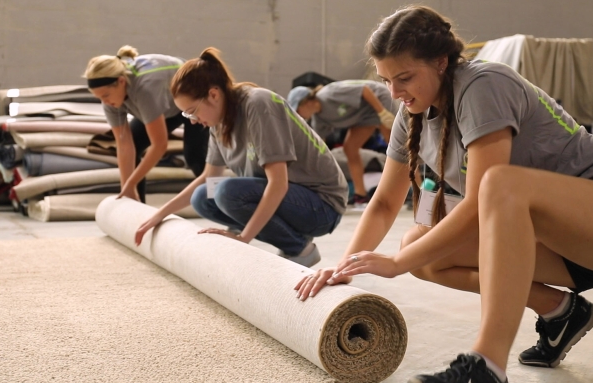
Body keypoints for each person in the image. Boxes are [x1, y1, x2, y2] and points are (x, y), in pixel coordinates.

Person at [295, 5, 593, 383]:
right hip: (559, 247)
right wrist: (345, 267)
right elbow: (385, 202)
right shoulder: (411, 113)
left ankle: (487, 366)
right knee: (420, 245)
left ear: (440, 62)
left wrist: (396, 264)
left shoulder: (482, 84)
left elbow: (480, 203)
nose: (394, 92)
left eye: (403, 78)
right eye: (385, 80)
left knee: (498, 184)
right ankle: (562, 312)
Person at [133, 47, 348, 268]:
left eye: (192, 111)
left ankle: (300, 249)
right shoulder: (218, 123)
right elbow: (208, 177)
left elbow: (278, 183)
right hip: (293, 198)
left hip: (321, 205)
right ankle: (291, 238)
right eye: (187, 115)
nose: (192, 121)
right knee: (202, 196)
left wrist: (242, 239)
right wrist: (159, 215)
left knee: (227, 193)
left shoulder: (258, 104)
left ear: (213, 95)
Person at [83, 46, 208, 202]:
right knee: (134, 143)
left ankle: (222, 207)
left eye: (106, 95)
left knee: (195, 156)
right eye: (99, 98)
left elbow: (160, 145)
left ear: (121, 82)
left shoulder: (145, 89)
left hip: (196, 99)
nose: (105, 102)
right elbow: (124, 145)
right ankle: (137, 206)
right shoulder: (109, 100)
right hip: (166, 103)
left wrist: (132, 182)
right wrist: (126, 189)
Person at [287, 80, 397, 205]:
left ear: (306, 102)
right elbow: (318, 147)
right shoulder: (319, 120)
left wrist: (382, 113)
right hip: (363, 116)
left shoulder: (329, 94)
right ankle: (360, 195)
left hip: (378, 99)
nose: (299, 115)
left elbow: (365, 90)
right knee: (350, 149)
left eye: (298, 110)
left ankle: (416, 189)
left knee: (394, 145)